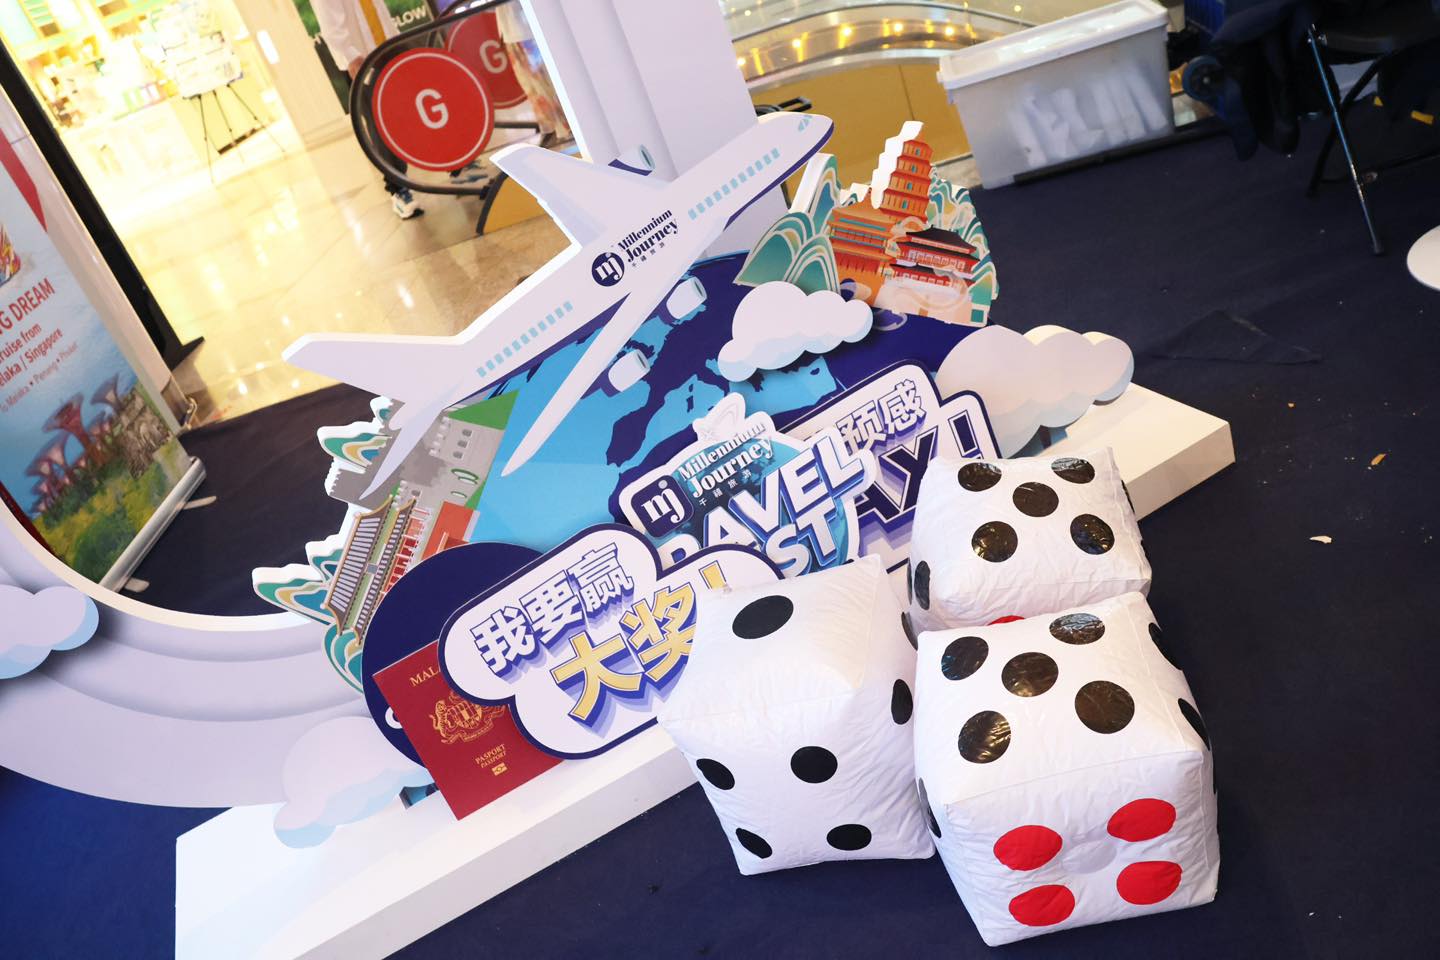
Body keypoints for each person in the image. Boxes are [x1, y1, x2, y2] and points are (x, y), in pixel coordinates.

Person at [312, 0, 488, 219]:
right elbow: (330, 24)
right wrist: (351, 57)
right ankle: (398, 189)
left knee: (424, 105)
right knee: (380, 124)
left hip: (391, 44)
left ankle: (458, 165)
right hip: (361, 58)